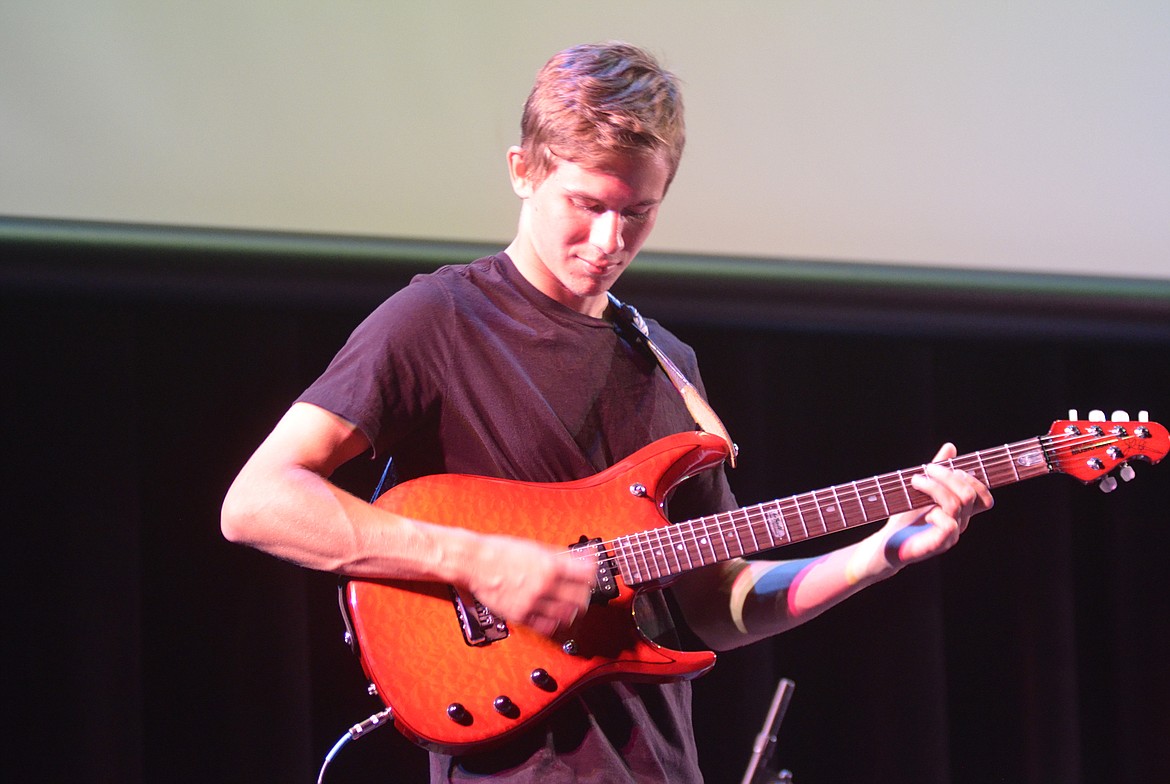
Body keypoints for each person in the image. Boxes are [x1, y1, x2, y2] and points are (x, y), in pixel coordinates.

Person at [221, 41, 993, 783]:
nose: (609, 240)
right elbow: (259, 502)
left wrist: (876, 555)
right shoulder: (436, 320)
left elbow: (712, 602)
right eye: (586, 205)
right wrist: (479, 560)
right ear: (523, 172)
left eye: (639, 213)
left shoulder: (667, 365)